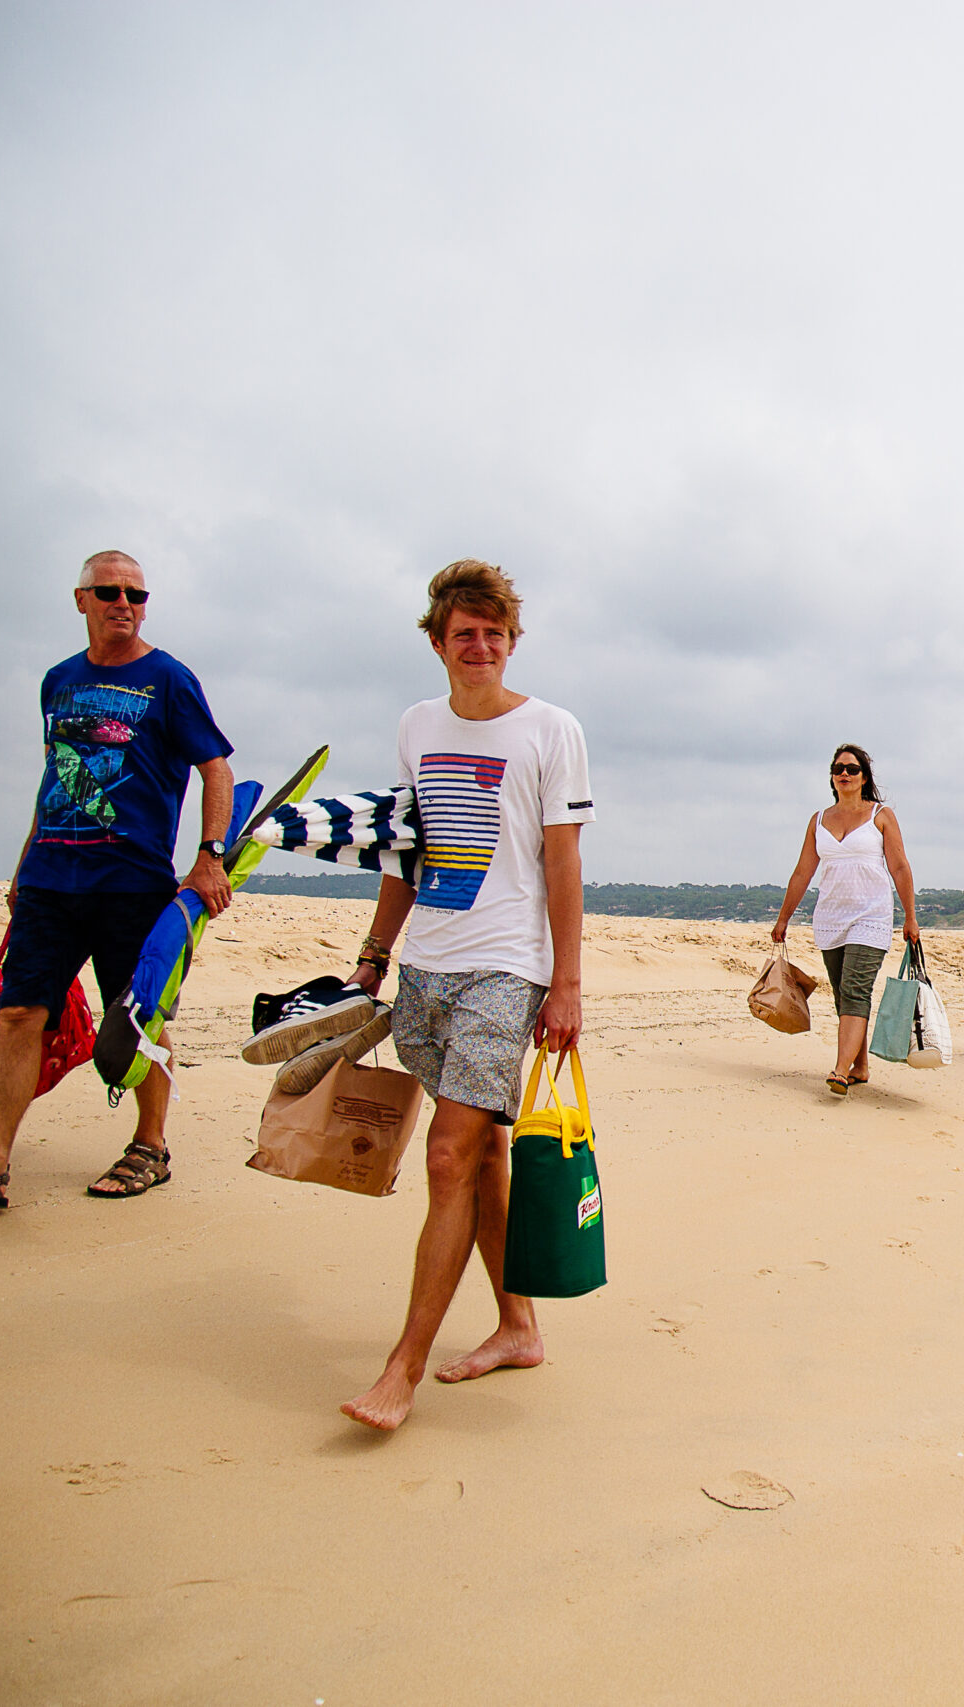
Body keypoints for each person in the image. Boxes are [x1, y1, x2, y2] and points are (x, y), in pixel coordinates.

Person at [337, 560, 592, 1432]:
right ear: (439, 643)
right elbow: (404, 852)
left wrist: (565, 983)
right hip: (426, 968)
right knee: (481, 1156)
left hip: (506, 970)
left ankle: (399, 1370)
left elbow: (563, 860)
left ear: (512, 641)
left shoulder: (552, 730)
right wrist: (374, 955)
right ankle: (518, 1325)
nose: (478, 646)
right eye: (462, 633)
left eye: (494, 632)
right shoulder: (416, 726)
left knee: (447, 1155)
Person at [0, 551, 234, 1209]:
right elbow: (57, 774)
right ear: (81, 599)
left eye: (137, 594)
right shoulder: (57, 680)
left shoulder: (167, 678)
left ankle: (150, 1145)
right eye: (110, 591)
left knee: (136, 1018)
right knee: (21, 1011)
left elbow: (217, 768)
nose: (125, 603)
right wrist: (25, 864)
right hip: (51, 879)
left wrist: (210, 857)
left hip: (133, 883)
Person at [770, 744, 921, 1095]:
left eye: (852, 769)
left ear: (863, 776)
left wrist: (911, 916)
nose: (844, 774)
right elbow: (802, 873)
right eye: (838, 768)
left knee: (856, 990)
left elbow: (899, 866)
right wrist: (783, 919)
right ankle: (861, 1066)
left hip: (871, 915)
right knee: (843, 995)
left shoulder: (880, 815)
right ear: (832, 776)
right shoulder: (819, 820)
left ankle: (840, 1069)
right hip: (830, 918)